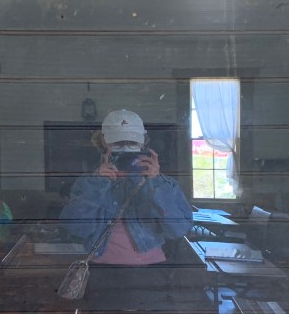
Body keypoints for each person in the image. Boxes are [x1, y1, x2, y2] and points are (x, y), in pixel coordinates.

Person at [60, 109, 192, 266]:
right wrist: (97, 184)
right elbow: (75, 229)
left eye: (132, 143)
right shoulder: (89, 183)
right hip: (101, 267)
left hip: (151, 268)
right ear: (104, 142)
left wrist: (156, 183)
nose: (125, 148)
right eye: (118, 143)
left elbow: (179, 230)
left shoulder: (164, 184)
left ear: (143, 143)